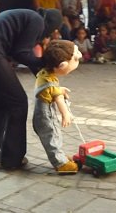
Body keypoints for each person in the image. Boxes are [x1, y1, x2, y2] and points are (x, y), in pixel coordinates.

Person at [0, 8, 63, 170]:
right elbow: (21, 54)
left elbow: (25, 55)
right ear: (51, 25)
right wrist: (45, 61)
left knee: (1, 106)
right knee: (18, 103)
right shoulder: (37, 21)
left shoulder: (29, 17)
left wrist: (47, 81)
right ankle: (12, 159)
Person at [33, 40, 82, 174]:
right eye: (75, 60)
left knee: (53, 137)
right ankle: (60, 164)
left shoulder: (45, 73)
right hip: (46, 117)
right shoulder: (50, 83)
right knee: (52, 137)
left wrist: (58, 90)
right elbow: (58, 99)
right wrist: (66, 115)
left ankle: (60, 157)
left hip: (41, 115)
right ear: (62, 65)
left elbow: (52, 89)